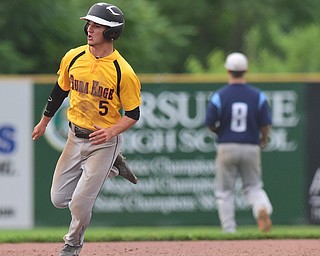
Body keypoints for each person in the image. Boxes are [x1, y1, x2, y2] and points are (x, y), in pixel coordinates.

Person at [31, 3, 141, 256]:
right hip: (74, 136)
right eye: (89, 24)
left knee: (80, 203)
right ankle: (114, 166)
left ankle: (72, 244)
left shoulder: (123, 71)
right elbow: (60, 90)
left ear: (112, 33)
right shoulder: (74, 56)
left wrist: (112, 132)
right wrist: (44, 122)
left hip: (103, 142)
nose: (89, 29)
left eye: (97, 26)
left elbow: (133, 114)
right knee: (59, 199)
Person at [205, 52, 273, 233]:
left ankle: (229, 230)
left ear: (228, 70)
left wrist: (220, 131)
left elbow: (210, 123)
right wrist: (263, 139)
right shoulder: (257, 95)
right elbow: (265, 124)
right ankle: (261, 208)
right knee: (253, 186)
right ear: (246, 70)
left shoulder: (220, 95)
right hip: (251, 145)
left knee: (225, 191)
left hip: (227, 145)